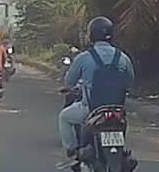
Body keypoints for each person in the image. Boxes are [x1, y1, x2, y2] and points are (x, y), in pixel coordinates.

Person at [58, 16, 135, 163]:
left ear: (91, 35)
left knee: (64, 117)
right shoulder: (122, 57)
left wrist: (75, 88)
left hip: (91, 109)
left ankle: (73, 152)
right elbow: (130, 82)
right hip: (118, 111)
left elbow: (69, 82)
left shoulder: (84, 57)